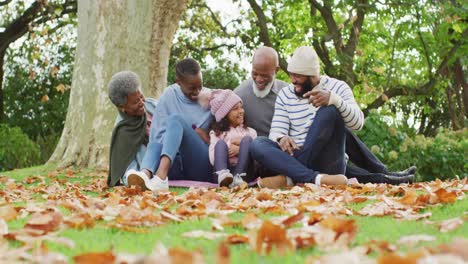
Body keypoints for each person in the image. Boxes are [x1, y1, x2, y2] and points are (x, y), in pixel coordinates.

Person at [236, 46, 415, 186]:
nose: (293, 81)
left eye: (298, 76)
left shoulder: (338, 87)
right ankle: (316, 178)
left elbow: (357, 124)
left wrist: (334, 100)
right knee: (258, 143)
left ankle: (294, 178)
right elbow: (277, 129)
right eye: (291, 75)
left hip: (327, 161)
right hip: (297, 159)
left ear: (313, 75)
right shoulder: (286, 94)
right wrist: (282, 138)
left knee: (330, 112)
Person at [124, 58, 215, 192]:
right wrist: (172, 144)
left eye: (200, 86)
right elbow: (156, 137)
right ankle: (144, 174)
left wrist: (207, 137)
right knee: (156, 141)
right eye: (192, 88)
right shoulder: (169, 95)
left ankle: (160, 178)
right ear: (179, 82)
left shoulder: (212, 98)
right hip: (174, 164)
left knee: (176, 119)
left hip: (200, 166)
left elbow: (233, 111)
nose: (197, 92)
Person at [107, 71, 158, 187]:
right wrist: (134, 180)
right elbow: (130, 172)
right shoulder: (123, 131)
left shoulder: (153, 105)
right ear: (122, 107)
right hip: (153, 170)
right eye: (135, 102)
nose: (141, 103)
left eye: (141, 96)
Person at [203, 90, 257, 187]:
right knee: (220, 144)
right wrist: (227, 147)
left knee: (247, 140)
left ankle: (238, 177)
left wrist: (239, 149)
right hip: (222, 172)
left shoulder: (251, 132)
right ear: (224, 115)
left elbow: (256, 157)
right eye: (236, 109)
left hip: (245, 173)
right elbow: (212, 159)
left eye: (241, 107)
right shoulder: (216, 133)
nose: (241, 111)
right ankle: (224, 176)